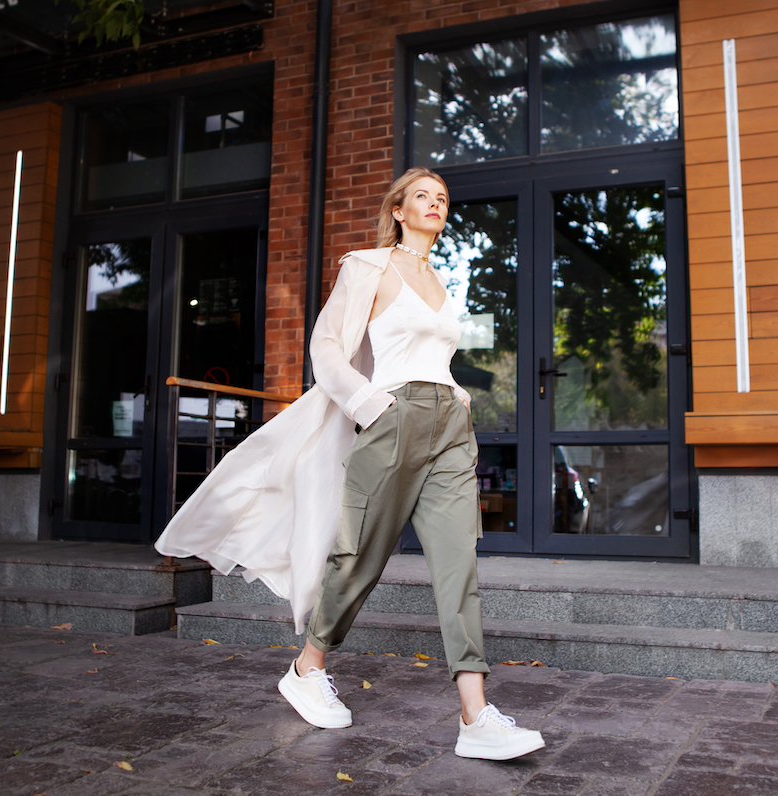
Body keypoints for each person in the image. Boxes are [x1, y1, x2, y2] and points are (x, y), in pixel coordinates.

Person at [156, 167, 544, 761]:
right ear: (398, 210)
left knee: (458, 565)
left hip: (449, 427)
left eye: (442, 198)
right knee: (359, 556)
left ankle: (475, 715)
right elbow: (327, 345)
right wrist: (370, 405)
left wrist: (457, 393)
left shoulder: (440, 280)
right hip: (393, 418)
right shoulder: (368, 267)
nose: (435, 204)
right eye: (422, 196)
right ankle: (307, 667)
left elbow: (432, 355)